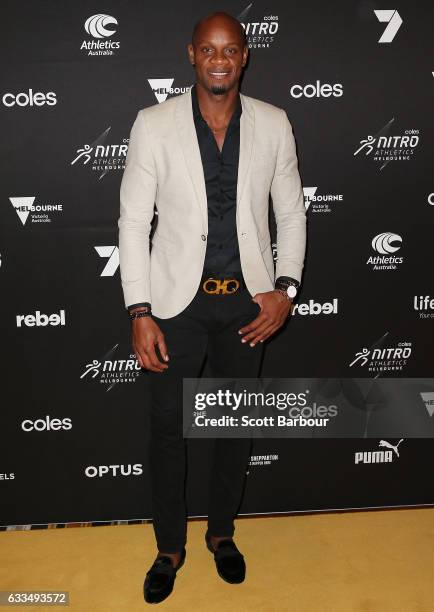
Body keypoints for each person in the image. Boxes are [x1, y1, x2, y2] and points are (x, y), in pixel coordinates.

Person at [118, 11, 306, 604]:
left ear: (244, 55)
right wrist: (139, 309)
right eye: (208, 49)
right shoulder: (153, 124)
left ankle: (221, 534)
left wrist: (286, 287)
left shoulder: (275, 123)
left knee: (233, 428)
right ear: (191, 55)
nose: (219, 59)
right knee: (168, 433)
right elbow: (131, 221)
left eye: (230, 49)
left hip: (247, 305)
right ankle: (168, 547)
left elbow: (292, 213)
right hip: (176, 305)